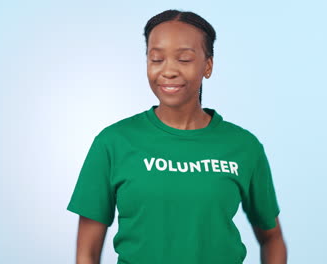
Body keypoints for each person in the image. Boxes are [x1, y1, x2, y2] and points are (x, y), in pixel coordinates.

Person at [66, 9, 287, 264]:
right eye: (156, 59)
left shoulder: (244, 146)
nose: (168, 71)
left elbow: (272, 237)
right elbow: (87, 253)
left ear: (208, 65)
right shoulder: (113, 143)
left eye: (183, 59)